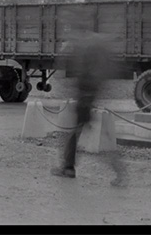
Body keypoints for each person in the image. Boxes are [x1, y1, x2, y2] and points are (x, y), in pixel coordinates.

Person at [50, 31, 127, 187]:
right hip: (90, 95)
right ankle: (68, 167)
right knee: (78, 132)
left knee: (83, 134)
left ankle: (118, 172)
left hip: (86, 96)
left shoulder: (89, 50)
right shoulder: (98, 51)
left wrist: (84, 93)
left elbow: (84, 73)